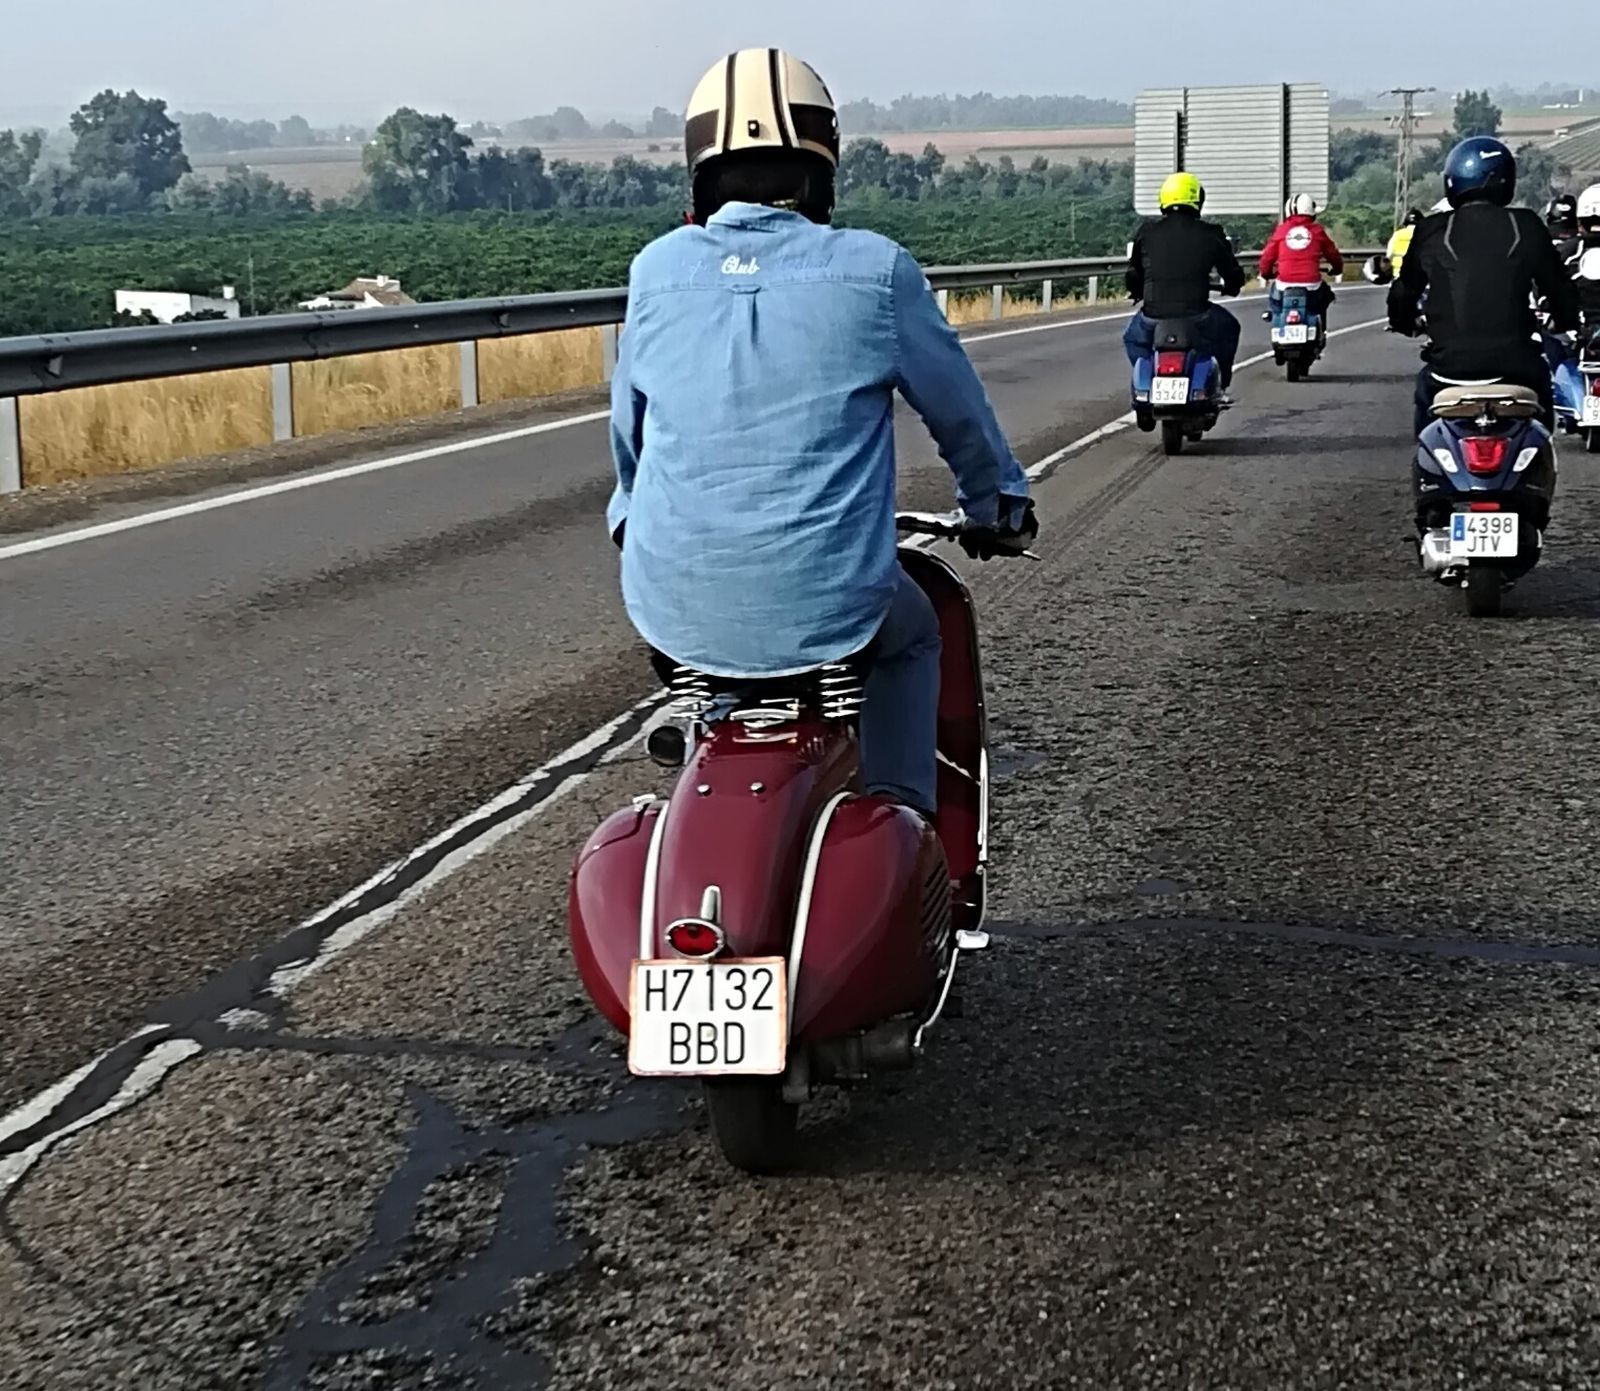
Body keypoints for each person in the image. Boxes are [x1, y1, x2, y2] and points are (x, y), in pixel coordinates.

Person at [606, 48, 1036, 822]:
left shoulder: (656, 270)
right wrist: (997, 502)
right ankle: (907, 822)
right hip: (833, 604)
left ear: (700, 167)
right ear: (819, 164)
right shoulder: (875, 271)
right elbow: (960, 417)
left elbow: (629, 441)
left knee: (718, 678)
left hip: (675, 600)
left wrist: (628, 518)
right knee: (911, 640)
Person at [1388, 136, 1578, 439]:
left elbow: (1402, 294)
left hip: (1447, 371)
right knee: (1543, 406)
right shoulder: (1526, 225)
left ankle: (1427, 475)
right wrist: (1563, 319)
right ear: (1506, 179)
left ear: (1453, 180)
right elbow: (1560, 291)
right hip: (1517, 368)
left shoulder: (1431, 230)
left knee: (1425, 411)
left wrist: (1404, 322)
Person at [1123, 172, 1247, 404]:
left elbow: (1133, 274)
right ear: (1197, 199)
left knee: (1133, 338)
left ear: (1164, 198)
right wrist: (1232, 286)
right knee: (1229, 328)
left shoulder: (1147, 232)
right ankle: (1221, 385)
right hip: (1197, 315)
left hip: (1153, 316)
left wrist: (1137, 291)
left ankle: (1146, 388)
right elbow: (1231, 273)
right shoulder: (1211, 233)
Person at [1259, 192, 1345, 330]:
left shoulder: (1282, 230)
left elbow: (1267, 258)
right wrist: (1337, 268)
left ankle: (1277, 320)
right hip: (1312, 285)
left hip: (1284, 283)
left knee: (1275, 302)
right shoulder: (1317, 231)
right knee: (1325, 297)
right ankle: (1320, 327)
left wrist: (1266, 273)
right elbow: (1333, 254)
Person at [1386, 208, 1422, 278]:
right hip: (1418, 274)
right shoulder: (1424, 234)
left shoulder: (1398, 234)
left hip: (1398, 273)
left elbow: (1389, 254)